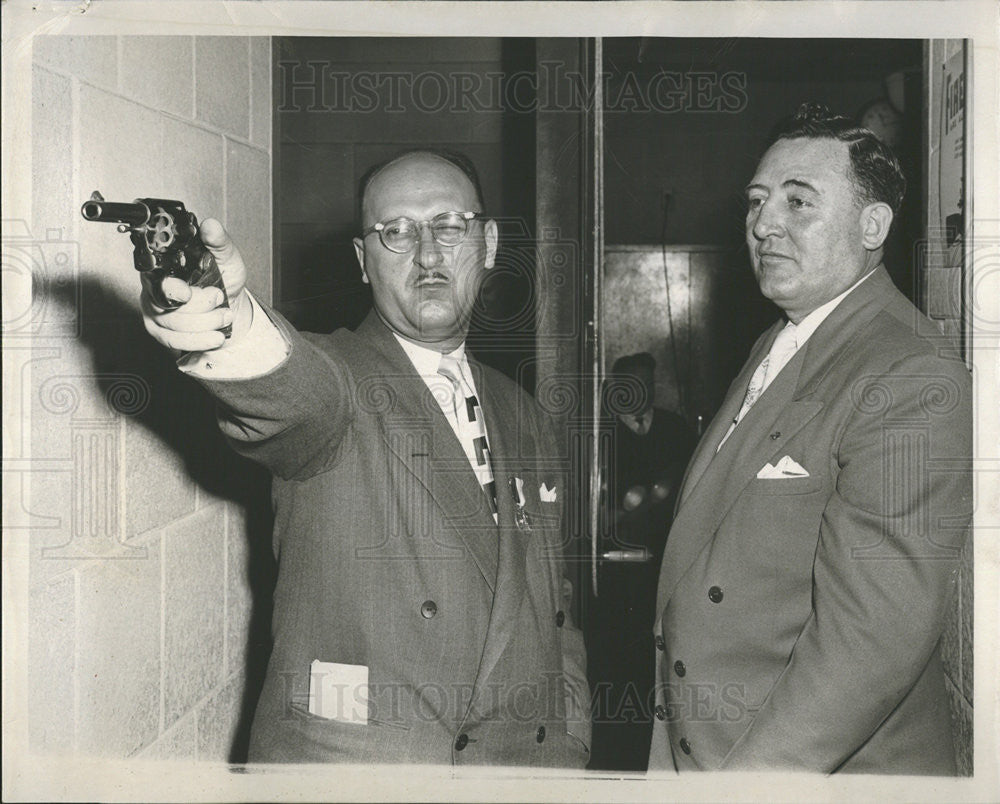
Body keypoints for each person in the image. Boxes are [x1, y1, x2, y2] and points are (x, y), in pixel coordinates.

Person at [140, 150, 591, 766]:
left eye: (449, 225)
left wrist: (571, 739)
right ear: (362, 260)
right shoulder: (341, 382)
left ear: (486, 244)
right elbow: (291, 391)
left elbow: (552, 601)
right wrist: (230, 326)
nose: (428, 254)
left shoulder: (523, 413)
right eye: (396, 232)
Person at [647, 104, 973, 774]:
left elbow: (871, 640)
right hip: (710, 747)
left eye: (799, 202)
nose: (764, 223)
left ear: (872, 224)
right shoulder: (782, 339)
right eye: (758, 201)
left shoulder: (908, 372)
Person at [588, 352, 695, 770]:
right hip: (616, 574)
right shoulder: (601, 436)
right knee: (619, 670)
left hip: (664, 570)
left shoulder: (676, 430)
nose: (642, 393)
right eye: (632, 384)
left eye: (648, 384)